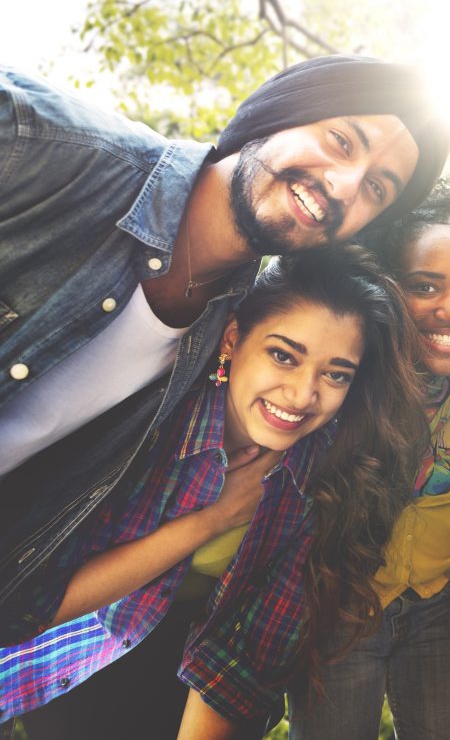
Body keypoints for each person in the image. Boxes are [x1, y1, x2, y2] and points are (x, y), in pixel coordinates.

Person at [0, 56, 450, 610]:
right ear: (278, 114)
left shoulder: (223, 327)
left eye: (377, 189)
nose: (343, 185)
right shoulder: (45, 143)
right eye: (340, 140)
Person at [1, 244, 425, 740]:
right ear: (231, 340)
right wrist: (210, 520)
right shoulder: (152, 426)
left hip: (213, 668)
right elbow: (34, 600)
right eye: (284, 356)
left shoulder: (331, 465)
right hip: (84, 641)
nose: (303, 395)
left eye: (335, 374)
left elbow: (255, 644)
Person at [287, 178, 450, 740]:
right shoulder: (345, 374)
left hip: (441, 600)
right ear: (383, 284)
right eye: (425, 287)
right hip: (338, 599)